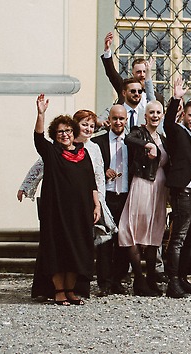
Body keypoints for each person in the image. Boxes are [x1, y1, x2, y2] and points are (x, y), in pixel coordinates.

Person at [32, 95, 101, 306]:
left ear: (74, 132)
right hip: (57, 211)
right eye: (61, 131)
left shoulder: (84, 153)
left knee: (77, 250)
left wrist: (96, 205)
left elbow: (91, 182)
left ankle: (71, 290)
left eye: (68, 130)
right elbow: (38, 138)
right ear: (56, 134)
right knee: (57, 250)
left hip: (80, 212)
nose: (65, 134)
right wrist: (41, 114)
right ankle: (59, 291)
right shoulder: (52, 152)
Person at [162, 74, 191, 298]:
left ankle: (182, 276)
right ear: (184, 114)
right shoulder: (177, 130)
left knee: (190, 237)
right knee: (178, 237)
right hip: (183, 190)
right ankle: (172, 280)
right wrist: (176, 99)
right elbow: (167, 123)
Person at [120, 100, 169, 297]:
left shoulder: (164, 138)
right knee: (134, 227)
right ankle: (139, 279)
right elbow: (128, 139)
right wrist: (147, 143)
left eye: (158, 112)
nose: (155, 115)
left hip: (160, 187)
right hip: (143, 184)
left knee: (154, 231)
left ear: (162, 115)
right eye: (151, 112)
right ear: (145, 116)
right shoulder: (138, 132)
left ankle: (151, 277)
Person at [92, 105, 130, 295]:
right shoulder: (97, 142)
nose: (118, 122)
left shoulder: (131, 141)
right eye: (114, 119)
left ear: (126, 120)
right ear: (110, 120)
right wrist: (104, 170)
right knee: (105, 242)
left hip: (126, 195)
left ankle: (118, 280)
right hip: (106, 197)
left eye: (121, 119)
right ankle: (104, 283)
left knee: (123, 241)